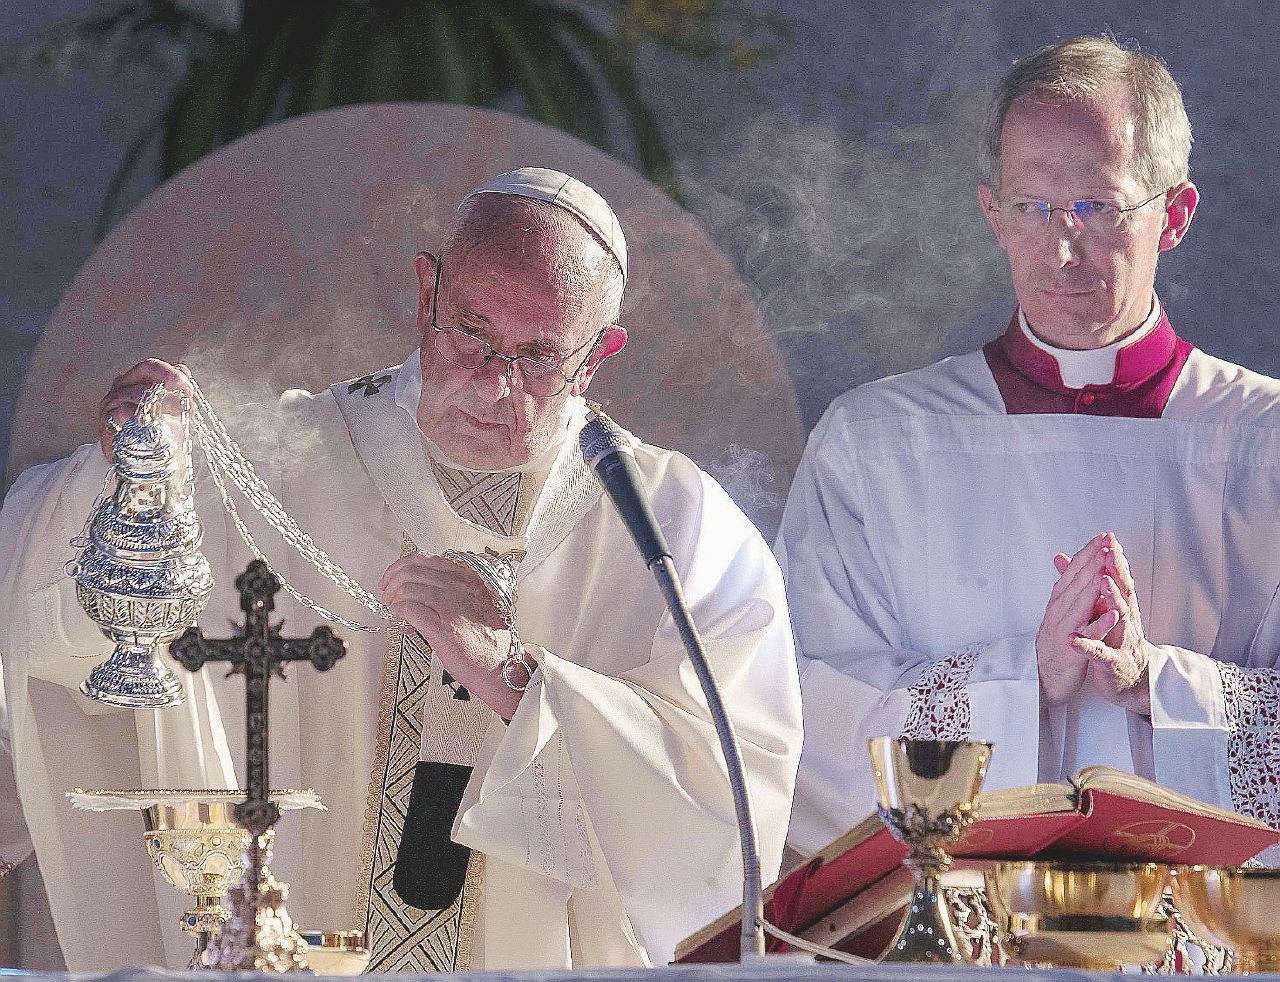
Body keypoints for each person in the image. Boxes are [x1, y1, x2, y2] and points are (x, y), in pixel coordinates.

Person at [0, 167, 802, 971]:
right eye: (473, 334)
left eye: (538, 356)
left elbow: (733, 808)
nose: (496, 384)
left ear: (600, 354)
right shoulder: (277, 462)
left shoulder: (673, 528)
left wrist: (518, 678)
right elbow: (33, 593)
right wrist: (132, 470)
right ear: (426, 295)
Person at [781, 37, 1280, 856]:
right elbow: (806, 714)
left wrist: (1155, 683)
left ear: (1176, 215)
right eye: (1034, 208)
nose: (1062, 246)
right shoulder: (878, 446)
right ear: (991, 213)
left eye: (1098, 207)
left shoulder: (1263, 444)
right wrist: (1023, 684)